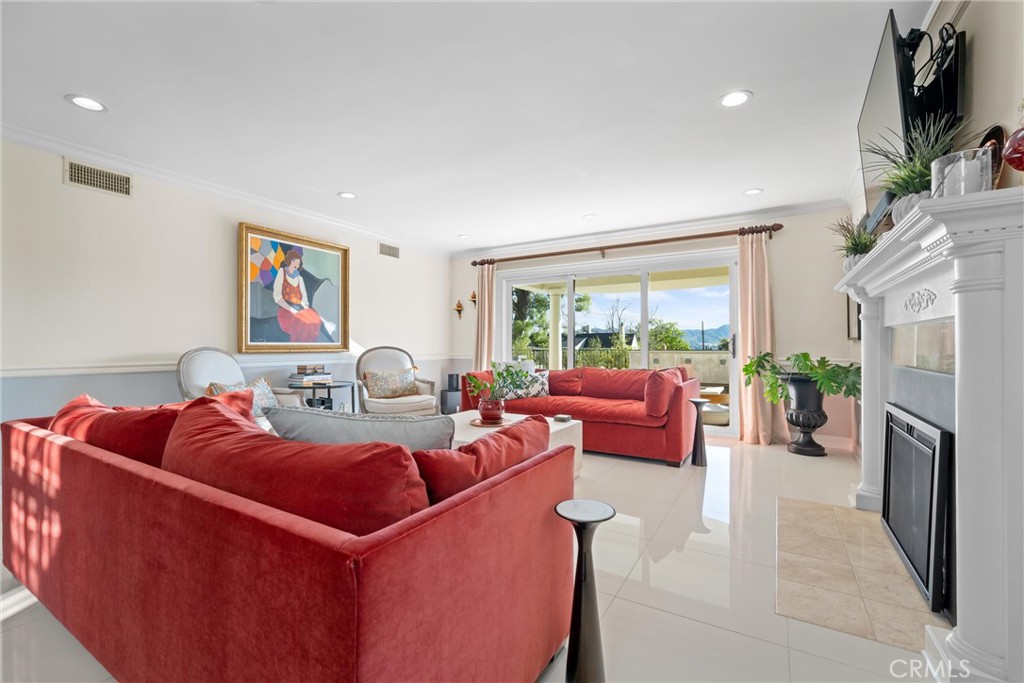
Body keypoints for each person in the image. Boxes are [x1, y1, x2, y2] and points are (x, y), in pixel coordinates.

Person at [273, 250, 323, 343]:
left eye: (299, 263)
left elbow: (304, 297)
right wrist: (293, 310)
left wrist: (306, 310)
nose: (297, 264)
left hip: (299, 308)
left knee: (314, 320)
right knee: (301, 325)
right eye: (296, 262)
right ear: (290, 261)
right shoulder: (282, 273)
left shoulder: (299, 278)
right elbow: (277, 297)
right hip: (285, 310)